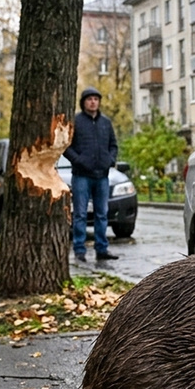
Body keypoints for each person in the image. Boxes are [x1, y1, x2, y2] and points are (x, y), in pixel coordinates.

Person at [65, 87, 120, 261]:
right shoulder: (76, 121)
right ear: (84, 102)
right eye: (89, 99)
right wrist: (79, 160)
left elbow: (113, 145)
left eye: (96, 99)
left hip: (102, 176)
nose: (93, 102)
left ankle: (101, 249)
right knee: (80, 214)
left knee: (101, 214)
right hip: (81, 175)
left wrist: (109, 160)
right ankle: (79, 250)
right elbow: (66, 146)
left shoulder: (105, 122)